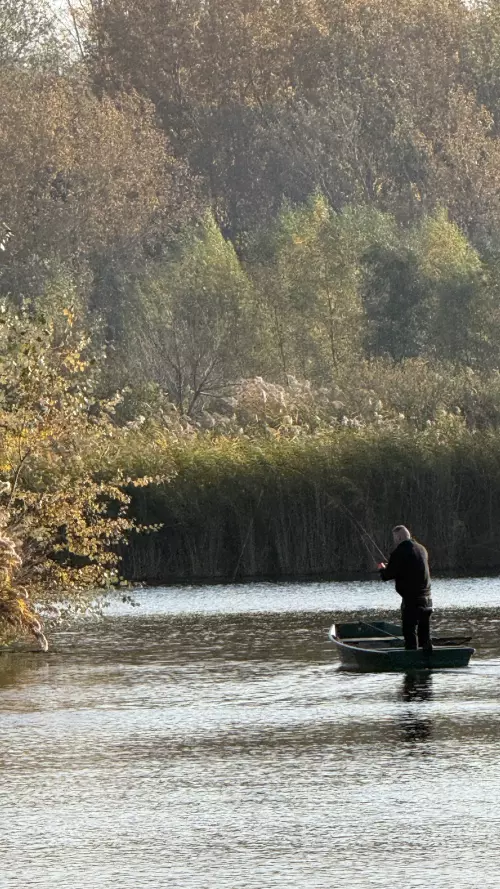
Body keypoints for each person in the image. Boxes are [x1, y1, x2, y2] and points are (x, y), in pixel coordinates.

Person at [378, 525, 433, 651]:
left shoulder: (399, 552)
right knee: (424, 635)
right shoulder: (422, 549)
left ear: (399, 538)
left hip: (411, 600)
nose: (395, 542)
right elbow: (410, 567)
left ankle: (411, 658)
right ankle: (428, 657)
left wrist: (382, 569)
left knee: (409, 632)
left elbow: (387, 575)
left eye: (395, 539)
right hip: (427, 599)